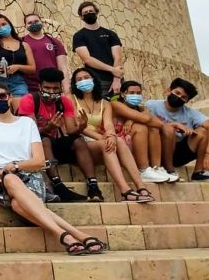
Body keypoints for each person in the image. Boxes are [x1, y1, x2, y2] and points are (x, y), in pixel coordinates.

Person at [0, 81, 107, 256]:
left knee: (18, 205)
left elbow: (40, 160)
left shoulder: (27, 124)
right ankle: (71, 234)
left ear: (10, 97)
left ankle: (69, 236)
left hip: (29, 176)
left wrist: (16, 165)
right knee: (10, 178)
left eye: (2, 96)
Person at [69, 68, 153, 202]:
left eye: (86, 77)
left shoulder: (105, 103)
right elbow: (77, 126)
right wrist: (102, 138)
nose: (84, 81)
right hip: (81, 141)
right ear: (74, 84)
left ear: (94, 80)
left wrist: (111, 135)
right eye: (79, 80)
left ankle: (141, 186)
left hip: (99, 139)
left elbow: (108, 124)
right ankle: (125, 190)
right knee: (106, 143)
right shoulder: (71, 99)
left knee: (118, 140)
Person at [16, 67, 98, 202]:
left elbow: (71, 131)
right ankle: (58, 185)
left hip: (53, 146)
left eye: (55, 89)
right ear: (39, 86)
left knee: (78, 140)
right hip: (32, 147)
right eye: (47, 88)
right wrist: (49, 127)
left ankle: (93, 186)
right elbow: (29, 134)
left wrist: (81, 127)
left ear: (60, 87)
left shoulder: (64, 101)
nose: (51, 92)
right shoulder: (29, 100)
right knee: (45, 139)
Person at [145, 77, 209, 181]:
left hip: (178, 153)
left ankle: (198, 172)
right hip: (157, 150)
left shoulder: (189, 113)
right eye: (177, 93)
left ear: (187, 101)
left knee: (202, 132)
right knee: (168, 129)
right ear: (168, 91)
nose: (179, 97)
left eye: (183, 97)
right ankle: (170, 170)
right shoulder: (152, 105)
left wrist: (207, 154)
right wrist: (174, 124)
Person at [110, 81, 169, 183]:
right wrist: (140, 116)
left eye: (138, 93)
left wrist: (132, 120)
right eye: (132, 93)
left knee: (153, 129)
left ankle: (157, 168)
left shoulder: (142, 108)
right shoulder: (116, 104)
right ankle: (143, 170)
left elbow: (159, 124)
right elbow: (145, 119)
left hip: (133, 142)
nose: (135, 96)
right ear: (123, 94)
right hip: (117, 142)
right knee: (140, 127)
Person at [72, 1, 123, 95]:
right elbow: (87, 59)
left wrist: (116, 79)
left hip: (116, 81)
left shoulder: (111, 34)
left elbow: (118, 57)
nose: (88, 14)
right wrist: (112, 70)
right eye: (85, 13)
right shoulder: (79, 36)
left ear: (96, 12)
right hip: (96, 81)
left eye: (91, 11)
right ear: (81, 17)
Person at [0, 14, 36, 98]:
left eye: (4, 24)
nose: (2, 28)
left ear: (10, 24)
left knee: (21, 109)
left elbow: (32, 68)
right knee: (0, 108)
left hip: (19, 83)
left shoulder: (24, 45)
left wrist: (18, 67)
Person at [21, 13, 69, 95]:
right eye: (30, 22)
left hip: (52, 87)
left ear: (41, 22)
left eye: (36, 21)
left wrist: (67, 89)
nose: (34, 24)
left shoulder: (54, 42)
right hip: (30, 87)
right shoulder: (21, 42)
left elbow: (63, 67)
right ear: (25, 26)